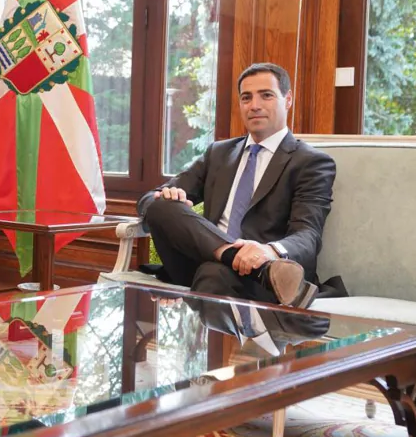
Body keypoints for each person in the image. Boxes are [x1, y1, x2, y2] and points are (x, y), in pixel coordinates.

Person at [137, 62, 335, 308]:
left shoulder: (311, 162)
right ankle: (236, 257)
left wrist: (269, 251)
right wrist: (168, 195)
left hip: (258, 282)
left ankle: (256, 269)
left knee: (213, 274)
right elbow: (147, 202)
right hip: (202, 263)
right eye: (246, 97)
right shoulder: (219, 153)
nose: (254, 105)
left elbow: (308, 235)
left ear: (288, 100)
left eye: (266, 95)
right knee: (162, 204)